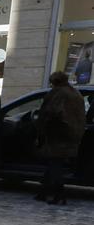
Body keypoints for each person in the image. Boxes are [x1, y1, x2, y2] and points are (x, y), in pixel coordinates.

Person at [35, 71, 86, 206]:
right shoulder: (76, 93)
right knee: (54, 162)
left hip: (58, 134)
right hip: (73, 134)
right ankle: (43, 192)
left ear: (55, 82)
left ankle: (59, 194)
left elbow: (50, 114)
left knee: (55, 163)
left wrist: (41, 131)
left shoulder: (57, 94)